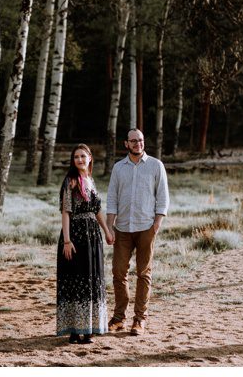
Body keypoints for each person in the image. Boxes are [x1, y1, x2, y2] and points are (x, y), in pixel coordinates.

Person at [105, 128, 169, 336]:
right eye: (133, 141)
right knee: (118, 273)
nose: (137, 144)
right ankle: (118, 318)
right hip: (122, 228)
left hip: (145, 227)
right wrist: (109, 227)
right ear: (126, 144)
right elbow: (112, 198)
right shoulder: (118, 168)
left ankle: (140, 319)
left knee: (144, 274)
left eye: (140, 140)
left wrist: (156, 224)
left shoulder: (155, 165)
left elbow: (163, 197)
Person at [56, 144, 114, 344]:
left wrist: (107, 231)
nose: (79, 160)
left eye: (83, 156)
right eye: (76, 157)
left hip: (93, 237)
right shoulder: (70, 181)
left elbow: (97, 210)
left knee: (91, 280)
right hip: (75, 235)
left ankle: (88, 328)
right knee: (75, 281)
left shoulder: (90, 180)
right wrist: (66, 240)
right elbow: (66, 212)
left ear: (90, 158)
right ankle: (74, 331)